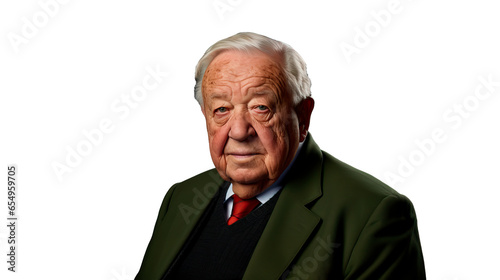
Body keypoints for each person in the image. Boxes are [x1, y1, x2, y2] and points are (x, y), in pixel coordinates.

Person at [135, 32, 425, 280]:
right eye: (221, 109)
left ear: (303, 116)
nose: (238, 131)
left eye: (261, 108)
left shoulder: (374, 214)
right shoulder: (182, 197)